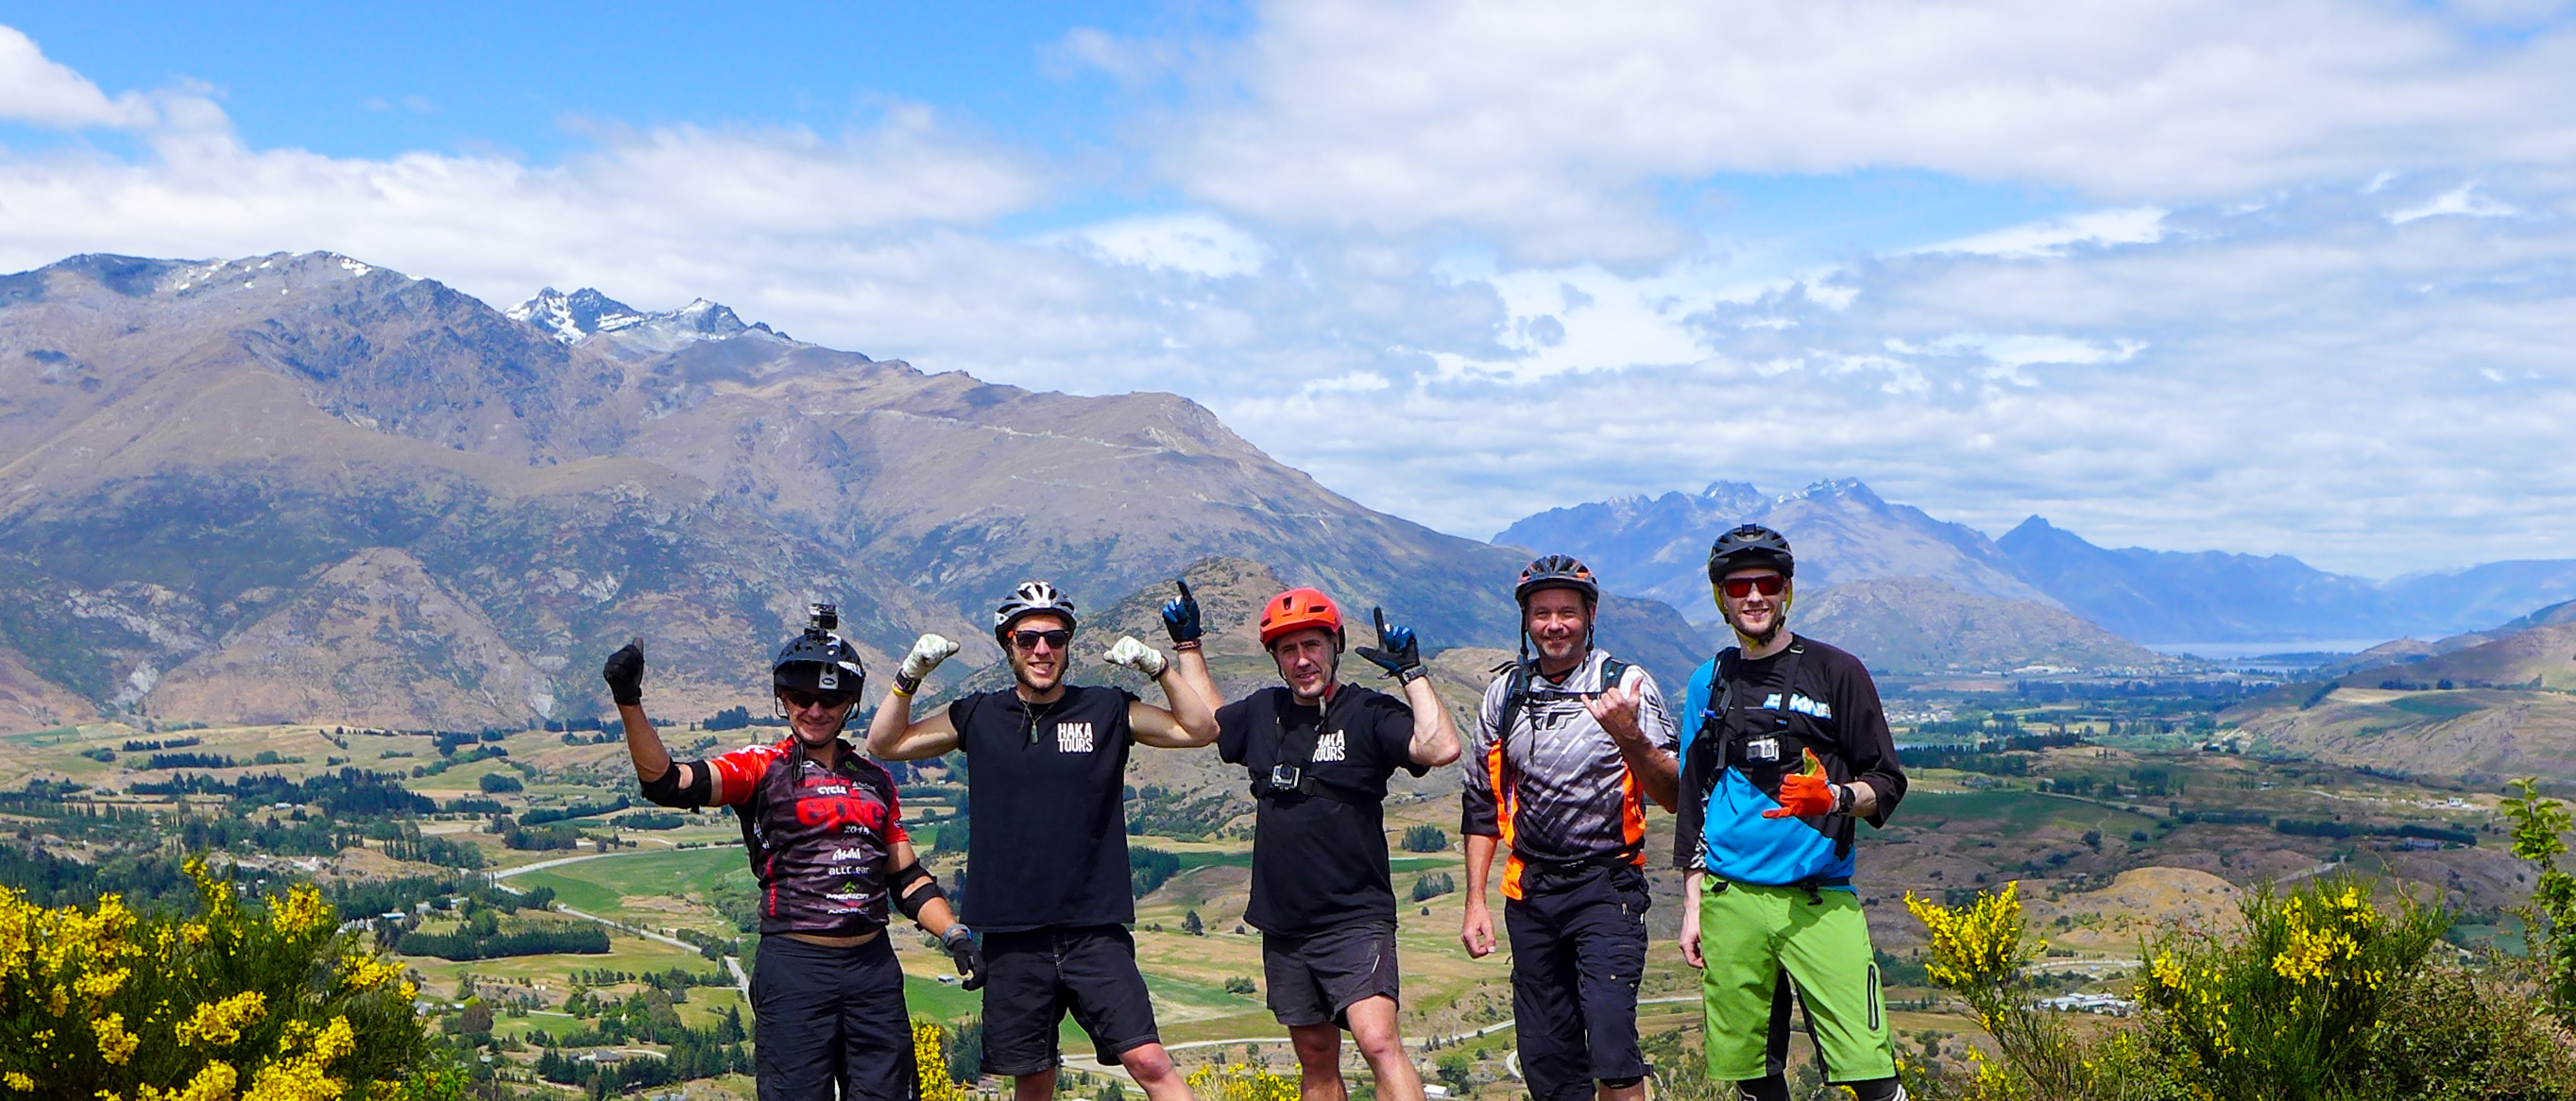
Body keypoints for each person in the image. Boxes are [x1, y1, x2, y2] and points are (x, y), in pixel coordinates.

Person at [602, 604, 982, 1101]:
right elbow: (668, 783)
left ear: (849, 704)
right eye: (802, 698)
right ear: (783, 699)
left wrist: (954, 934)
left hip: (872, 971)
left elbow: (906, 878)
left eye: (831, 699)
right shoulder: (760, 768)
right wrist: (628, 700)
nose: (815, 710)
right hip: (796, 968)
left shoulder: (876, 779)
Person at [866, 580, 1220, 1101]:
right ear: (1007, 644)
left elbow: (1200, 730)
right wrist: (909, 676)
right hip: (1012, 935)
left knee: (1149, 1061)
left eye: (1055, 639)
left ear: (1068, 645)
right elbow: (884, 743)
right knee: (1032, 1079)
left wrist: (1161, 668)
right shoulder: (978, 714)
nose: (1042, 650)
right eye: (1027, 638)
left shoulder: (1105, 708)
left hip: (1094, 928)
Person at [1675, 525, 1909, 1101]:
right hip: (1731, 899)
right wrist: (1693, 904)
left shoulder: (1837, 671)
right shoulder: (1709, 681)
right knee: (1753, 1076)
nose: (1754, 596)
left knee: (1871, 1071)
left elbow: (1887, 781)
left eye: (1768, 583)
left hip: (1818, 898)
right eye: (1739, 586)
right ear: (1721, 597)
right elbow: (1693, 797)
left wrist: (1835, 799)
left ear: (1787, 590)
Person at [1217, 588, 1462, 1101]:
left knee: (1378, 1042)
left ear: (1336, 646)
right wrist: (1186, 648)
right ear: (1275, 658)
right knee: (1315, 1057)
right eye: (1288, 650)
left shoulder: (1367, 710)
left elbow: (1441, 748)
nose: (1302, 660)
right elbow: (1204, 722)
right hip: (1284, 924)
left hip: (1355, 916)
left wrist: (1412, 674)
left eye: (1312, 645)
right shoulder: (1263, 711)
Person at [1459, 556, 1680, 1101]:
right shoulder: (1505, 694)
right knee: (1547, 1060)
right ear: (1526, 621)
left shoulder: (1626, 686)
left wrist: (1630, 735)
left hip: (1608, 886)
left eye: (1567, 613)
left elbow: (1674, 794)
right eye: (1542, 614)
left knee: (1612, 1049)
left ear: (1590, 616)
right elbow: (1481, 802)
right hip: (1532, 893)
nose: (1554, 625)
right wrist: (1475, 901)